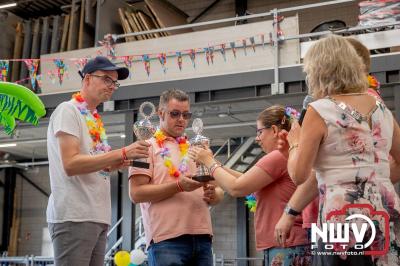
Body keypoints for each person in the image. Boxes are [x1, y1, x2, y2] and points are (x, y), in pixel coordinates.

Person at [285, 35, 400, 265]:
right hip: (385, 211)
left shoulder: (320, 110)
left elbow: (298, 175)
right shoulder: (381, 108)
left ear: (319, 70)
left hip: (341, 215)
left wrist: (295, 142)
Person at [46, 56, 150, 266]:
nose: (112, 86)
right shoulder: (68, 110)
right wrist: (121, 153)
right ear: (87, 79)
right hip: (74, 214)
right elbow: (71, 164)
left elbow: (93, 164)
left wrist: (114, 164)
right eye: (106, 79)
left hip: (97, 215)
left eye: (115, 82)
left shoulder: (93, 118)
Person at [189, 105, 312, 266]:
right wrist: (214, 165)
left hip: (286, 244)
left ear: (274, 130)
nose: (257, 138)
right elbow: (246, 179)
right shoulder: (288, 155)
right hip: (289, 242)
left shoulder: (278, 156)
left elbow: (237, 187)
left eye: (260, 132)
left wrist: (209, 162)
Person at [129, 89, 224, 266]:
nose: (181, 119)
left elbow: (218, 188)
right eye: (175, 114)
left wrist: (215, 195)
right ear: (160, 113)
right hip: (166, 241)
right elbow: (136, 193)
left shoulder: (197, 147)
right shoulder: (143, 148)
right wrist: (178, 186)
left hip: (203, 238)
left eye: (186, 114)